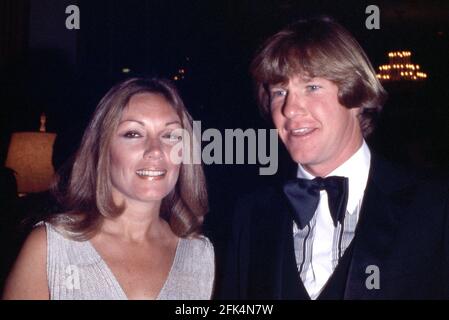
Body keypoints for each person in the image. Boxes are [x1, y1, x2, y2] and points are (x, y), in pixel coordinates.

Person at [217, 17, 449, 299]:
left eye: (312, 87)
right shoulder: (251, 215)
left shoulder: (436, 206)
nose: (290, 108)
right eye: (280, 92)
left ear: (357, 97)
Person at [3, 78, 215, 300]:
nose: (156, 150)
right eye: (133, 134)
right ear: (102, 150)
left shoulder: (199, 254)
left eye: (170, 135)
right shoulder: (50, 247)